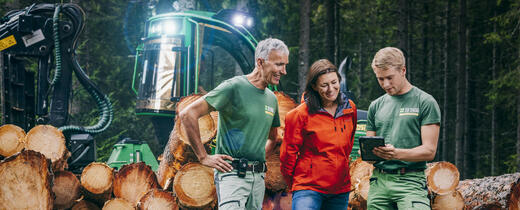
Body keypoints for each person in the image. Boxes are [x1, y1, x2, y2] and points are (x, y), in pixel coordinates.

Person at [178, 38, 289, 210]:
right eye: (279, 64)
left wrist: (256, 162)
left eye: (285, 65)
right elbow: (188, 114)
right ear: (260, 62)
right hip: (232, 175)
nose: (284, 71)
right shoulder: (234, 87)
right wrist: (203, 157)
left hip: (258, 180)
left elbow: (272, 138)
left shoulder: (271, 98)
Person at [366, 47, 441, 210]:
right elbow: (370, 149)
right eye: (380, 79)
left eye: (389, 78)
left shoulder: (425, 102)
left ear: (403, 70)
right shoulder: (375, 106)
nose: (385, 84)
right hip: (379, 183)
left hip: (411, 182)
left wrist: (396, 154)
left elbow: (429, 151)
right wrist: (369, 154)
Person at [280, 59, 357, 210]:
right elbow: (287, 156)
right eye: (324, 85)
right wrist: (296, 185)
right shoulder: (299, 115)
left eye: (334, 82)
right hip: (308, 188)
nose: (331, 89)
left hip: (339, 190)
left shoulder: (350, 109)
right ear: (314, 87)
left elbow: (348, 143)